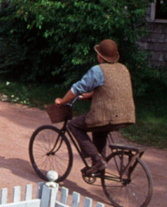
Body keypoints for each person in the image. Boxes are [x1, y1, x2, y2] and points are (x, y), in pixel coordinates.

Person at [54, 39, 136, 176]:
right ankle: (99, 167)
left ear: (99, 56)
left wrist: (62, 101)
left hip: (107, 116)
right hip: (126, 116)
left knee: (73, 125)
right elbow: (113, 89)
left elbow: (77, 89)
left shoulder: (98, 70)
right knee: (99, 129)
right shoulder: (123, 69)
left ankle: (97, 160)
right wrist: (91, 95)